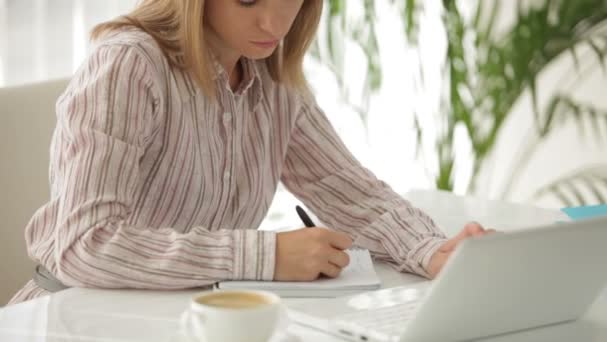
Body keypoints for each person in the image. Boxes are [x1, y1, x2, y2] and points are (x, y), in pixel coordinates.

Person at [8, 0, 493, 305]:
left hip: (193, 321)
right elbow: (84, 245)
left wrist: (432, 252)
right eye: (247, 0)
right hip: (78, 316)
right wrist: (265, 254)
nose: (275, 21)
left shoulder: (272, 80)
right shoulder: (129, 65)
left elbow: (351, 193)